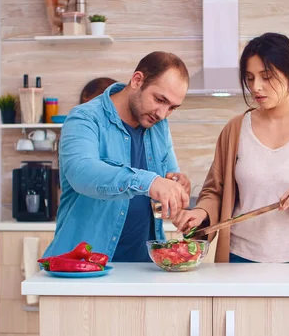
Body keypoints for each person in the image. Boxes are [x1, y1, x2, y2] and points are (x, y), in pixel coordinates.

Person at [173, 33, 289, 264]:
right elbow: (215, 192)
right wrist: (202, 212)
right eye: (249, 78)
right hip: (239, 258)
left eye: (266, 77)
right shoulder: (235, 130)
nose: (256, 87)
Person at [43, 51, 192, 263]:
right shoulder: (84, 118)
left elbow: (167, 176)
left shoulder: (159, 126)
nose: (162, 113)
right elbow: (81, 172)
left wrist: (176, 184)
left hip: (144, 266)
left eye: (172, 108)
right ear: (137, 80)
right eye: (159, 99)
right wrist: (150, 182)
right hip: (83, 267)